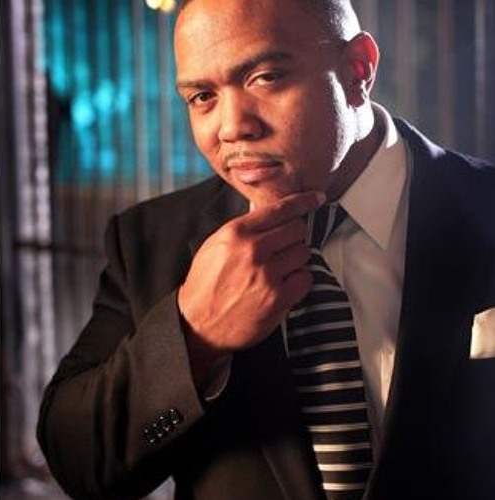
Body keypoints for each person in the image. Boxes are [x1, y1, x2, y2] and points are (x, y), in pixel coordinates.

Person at [37, 0, 495, 499]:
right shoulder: (149, 241)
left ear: (358, 69)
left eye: (266, 77)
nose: (233, 127)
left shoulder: (483, 205)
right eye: (202, 96)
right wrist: (194, 335)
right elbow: (78, 463)